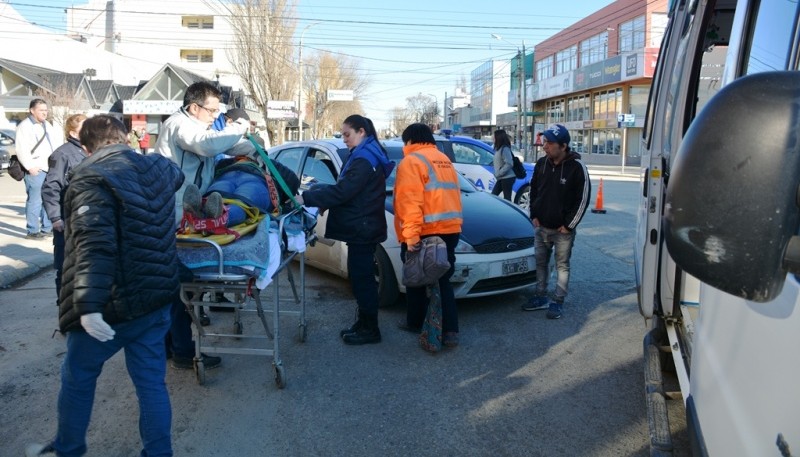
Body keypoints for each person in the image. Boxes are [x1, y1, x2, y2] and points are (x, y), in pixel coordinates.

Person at [25, 115, 184, 457]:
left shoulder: (90, 178)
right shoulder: (157, 168)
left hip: (112, 304)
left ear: (85, 147)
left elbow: (94, 246)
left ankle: (68, 448)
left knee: (79, 376)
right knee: (151, 384)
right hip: (154, 300)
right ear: (126, 138)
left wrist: (88, 307)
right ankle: (159, 453)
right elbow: (176, 174)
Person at [154, 81, 253, 370]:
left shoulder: (199, 128)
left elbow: (229, 144)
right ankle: (180, 350)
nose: (215, 115)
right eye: (211, 110)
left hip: (186, 215)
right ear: (194, 107)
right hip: (172, 215)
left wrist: (253, 148)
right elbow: (208, 146)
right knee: (179, 286)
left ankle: (173, 347)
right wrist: (238, 126)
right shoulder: (179, 125)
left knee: (179, 287)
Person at [295, 114, 394, 345]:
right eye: (342, 135)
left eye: (347, 134)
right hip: (363, 225)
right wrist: (323, 200)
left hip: (362, 227)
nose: (344, 139)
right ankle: (364, 323)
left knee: (363, 280)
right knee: (361, 279)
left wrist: (307, 198)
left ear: (362, 132)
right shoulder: (367, 154)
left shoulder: (363, 159)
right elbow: (346, 190)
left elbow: (343, 191)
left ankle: (370, 330)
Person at [394, 123, 463, 347]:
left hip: (425, 232)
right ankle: (450, 331)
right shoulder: (443, 159)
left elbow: (410, 202)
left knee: (416, 278)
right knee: (443, 281)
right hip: (450, 229)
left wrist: (411, 236)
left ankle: (418, 323)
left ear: (410, 141)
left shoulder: (412, 161)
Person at [522, 124, 590, 319]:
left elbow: (582, 199)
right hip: (541, 226)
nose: (545, 146)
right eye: (545, 142)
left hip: (562, 231)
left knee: (562, 265)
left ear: (563, 145)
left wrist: (569, 225)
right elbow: (533, 190)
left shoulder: (577, 168)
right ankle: (540, 296)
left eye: (550, 143)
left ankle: (558, 301)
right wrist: (533, 215)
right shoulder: (542, 164)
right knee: (541, 263)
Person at [42, 113, 88, 299]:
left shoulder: (89, 151)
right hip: (66, 220)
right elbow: (50, 187)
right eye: (84, 128)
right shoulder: (62, 154)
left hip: (84, 220)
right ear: (73, 133)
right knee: (65, 269)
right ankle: (64, 311)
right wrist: (55, 217)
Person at [15, 98, 63, 239]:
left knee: (47, 198)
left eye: (46, 110)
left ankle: (47, 228)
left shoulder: (47, 124)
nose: (44, 113)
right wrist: (30, 167)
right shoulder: (24, 126)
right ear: (32, 110)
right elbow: (21, 149)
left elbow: (54, 143)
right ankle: (32, 230)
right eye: (41, 110)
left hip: (49, 168)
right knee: (35, 200)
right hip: (35, 169)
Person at [491, 129, 515, 201]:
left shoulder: (505, 149)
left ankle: (508, 211)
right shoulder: (499, 149)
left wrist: (499, 173)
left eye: (494, 137)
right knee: (493, 196)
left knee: (507, 199)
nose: (492, 139)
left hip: (507, 178)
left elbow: (509, 163)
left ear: (498, 138)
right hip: (502, 178)